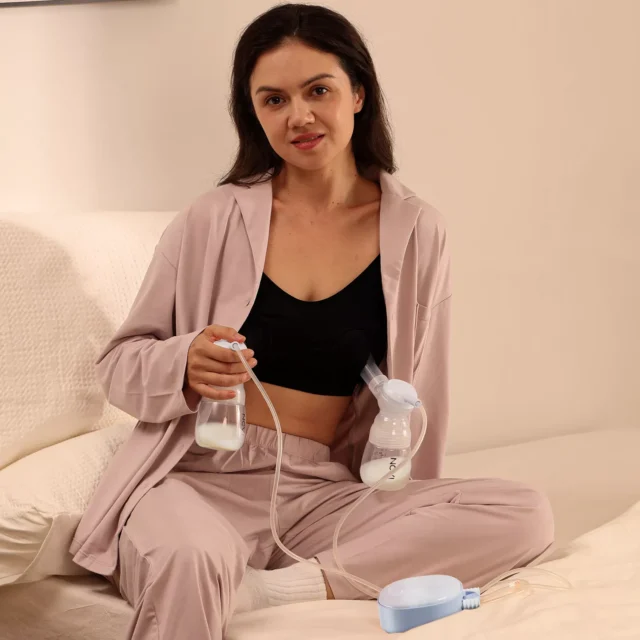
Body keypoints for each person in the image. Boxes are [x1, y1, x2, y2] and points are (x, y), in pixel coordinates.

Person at [71, 4, 554, 639]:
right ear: (254, 114)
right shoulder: (211, 219)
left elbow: (423, 391)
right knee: (193, 560)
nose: (297, 115)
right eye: (273, 100)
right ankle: (233, 574)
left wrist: (411, 523)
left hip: (322, 490)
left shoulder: (417, 230)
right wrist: (183, 362)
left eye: (317, 90)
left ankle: (282, 588)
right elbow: (118, 365)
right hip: (194, 475)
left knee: (525, 513)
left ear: (358, 93)